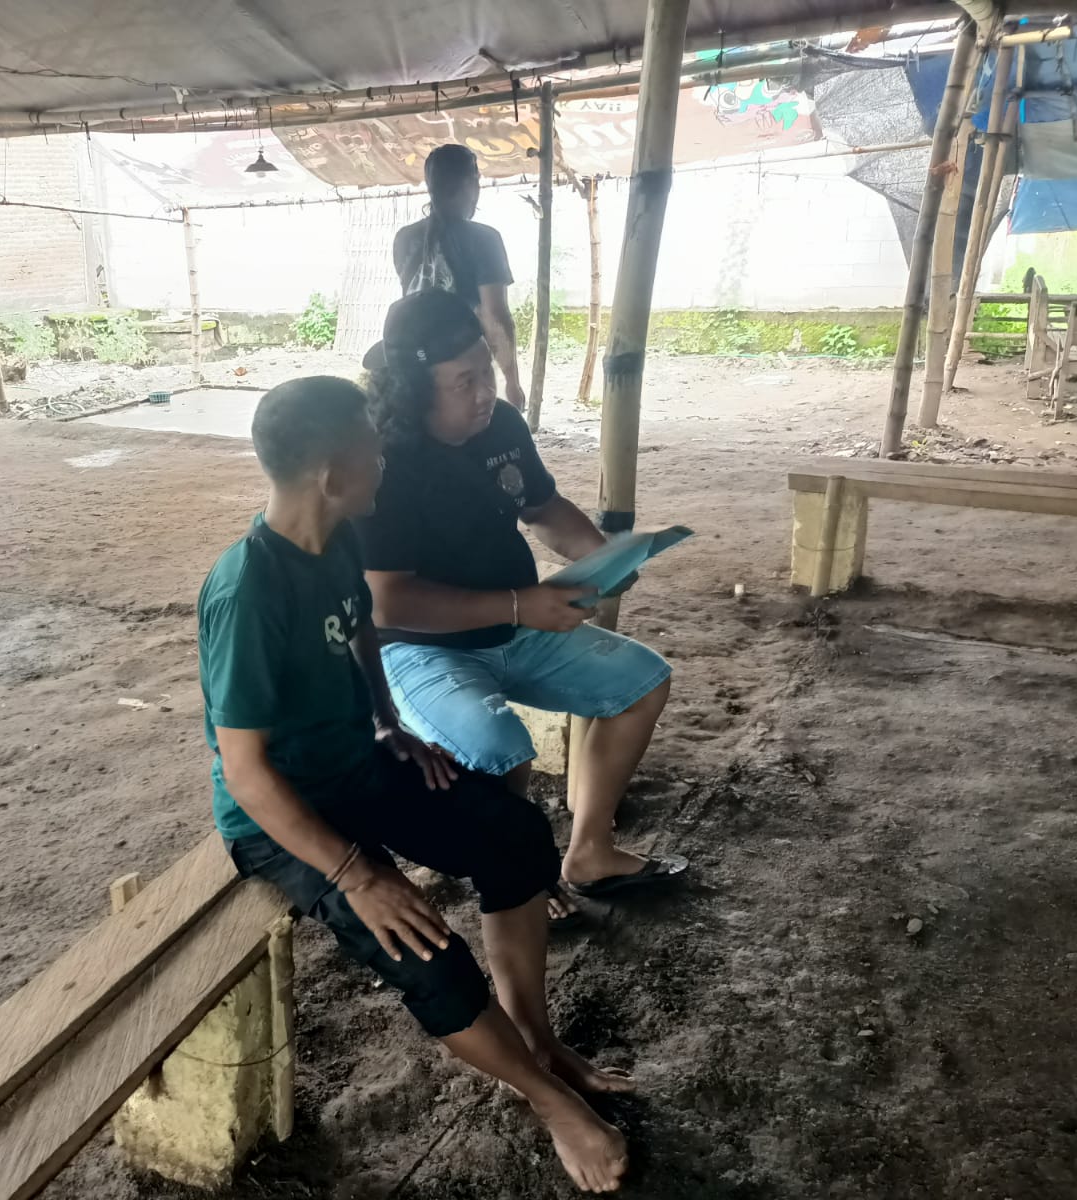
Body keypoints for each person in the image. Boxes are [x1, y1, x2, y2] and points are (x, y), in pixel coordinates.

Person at [199, 375, 632, 1193]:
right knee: (427, 950)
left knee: (515, 837)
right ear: (332, 474)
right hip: (282, 817)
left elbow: (361, 627)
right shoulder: (249, 589)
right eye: (373, 449)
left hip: (358, 764)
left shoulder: (338, 537)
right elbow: (247, 773)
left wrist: (388, 722)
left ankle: (537, 1040)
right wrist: (357, 875)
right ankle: (550, 1102)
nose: (385, 462)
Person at [354, 290, 685, 927]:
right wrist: (516, 605)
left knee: (642, 683)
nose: (487, 392)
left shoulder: (501, 426)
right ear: (415, 392)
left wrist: (600, 556)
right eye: (465, 381)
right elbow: (387, 600)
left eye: (488, 368)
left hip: (518, 624)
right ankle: (519, 873)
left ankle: (589, 851)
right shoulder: (383, 461)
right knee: (501, 748)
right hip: (421, 648)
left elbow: (542, 507)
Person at [393, 143, 526, 412]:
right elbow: (494, 315)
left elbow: (411, 302)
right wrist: (512, 382)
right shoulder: (484, 239)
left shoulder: (404, 238)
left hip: (415, 365)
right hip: (463, 374)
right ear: (470, 183)